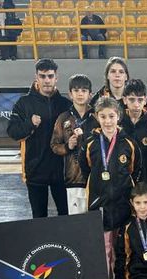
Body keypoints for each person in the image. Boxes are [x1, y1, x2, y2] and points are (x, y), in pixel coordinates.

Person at [80, 96, 140, 279]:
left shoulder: (128, 143)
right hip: (100, 203)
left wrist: (124, 190)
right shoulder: (90, 143)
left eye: (111, 116)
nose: (107, 121)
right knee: (103, 247)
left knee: (120, 247)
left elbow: (134, 169)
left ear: (119, 116)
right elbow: (86, 168)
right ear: (97, 117)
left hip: (122, 203)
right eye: (103, 116)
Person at [8, 58, 72, 218]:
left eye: (50, 76)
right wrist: (29, 124)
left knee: (66, 216)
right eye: (42, 76)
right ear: (36, 77)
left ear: (56, 78)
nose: (47, 80)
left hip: (61, 171)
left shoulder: (65, 104)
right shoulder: (24, 103)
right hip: (35, 170)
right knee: (39, 217)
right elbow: (13, 132)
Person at [50, 74, 96, 215]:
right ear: (70, 94)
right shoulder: (63, 118)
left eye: (84, 90)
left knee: (96, 221)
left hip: (95, 177)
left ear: (90, 94)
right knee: (77, 221)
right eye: (76, 90)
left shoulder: (97, 117)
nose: (80, 94)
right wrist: (67, 146)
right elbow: (54, 145)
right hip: (73, 178)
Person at [120, 79, 147, 191]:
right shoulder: (117, 124)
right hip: (120, 186)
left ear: (145, 100)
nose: (136, 104)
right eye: (132, 99)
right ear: (124, 100)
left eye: (140, 100)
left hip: (145, 186)